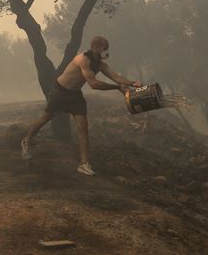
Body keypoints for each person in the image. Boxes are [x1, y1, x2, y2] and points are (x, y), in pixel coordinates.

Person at [21, 36, 141, 176]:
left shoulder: (100, 64)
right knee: (45, 118)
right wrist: (116, 87)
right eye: (105, 49)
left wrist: (132, 83)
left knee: (83, 127)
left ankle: (84, 164)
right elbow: (94, 84)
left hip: (75, 96)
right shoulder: (82, 60)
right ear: (96, 47)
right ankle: (26, 140)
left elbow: (116, 77)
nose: (106, 52)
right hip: (60, 92)